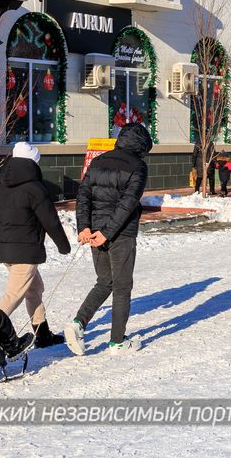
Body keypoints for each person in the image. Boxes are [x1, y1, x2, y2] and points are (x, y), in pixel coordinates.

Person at [0, 142, 72, 349]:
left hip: (6, 251)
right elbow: (50, 221)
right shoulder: (36, 189)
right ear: (34, 163)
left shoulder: (0, 188)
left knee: (34, 289)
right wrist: (64, 246)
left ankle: (42, 335)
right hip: (25, 253)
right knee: (13, 295)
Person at [68, 121, 150, 354]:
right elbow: (128, 203)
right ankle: (117, 342)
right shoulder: (139, 166)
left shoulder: (98, 161)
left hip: (94, 232)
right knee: (122, 286)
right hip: (119, 233)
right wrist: (107, 233)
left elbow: (83, 195)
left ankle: (78, 323)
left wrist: (84, 227)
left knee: (105, 281)